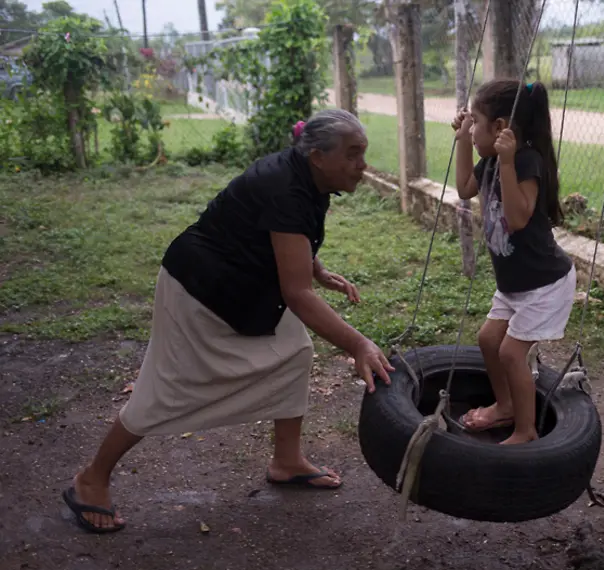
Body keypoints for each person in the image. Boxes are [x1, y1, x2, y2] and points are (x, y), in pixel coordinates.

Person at [62, 109, 395, 534]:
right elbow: (296, 294)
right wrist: (359, 345)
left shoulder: (308, 178)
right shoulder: (287, 189)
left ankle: (287, 461)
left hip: (242, 284)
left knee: (295, 350)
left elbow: (282, 235)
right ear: (317, 156)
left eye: (362, 154)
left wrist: (315, 267)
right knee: (166, 388)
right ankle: (91, 479)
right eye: (353, 155)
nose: (363, 166)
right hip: (199, 290)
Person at [451, 79, 576, 445]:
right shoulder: (490, 160)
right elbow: (463, 189)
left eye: (476, 121)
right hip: (514, 284)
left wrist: (506, 160)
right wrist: (462, 142)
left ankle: (526, 430)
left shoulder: (524, 161)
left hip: (544, 283)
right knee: (488, 340)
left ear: (501, 126)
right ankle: (505, 406)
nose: (472, 128)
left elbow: (518, 218)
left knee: (510, 352)